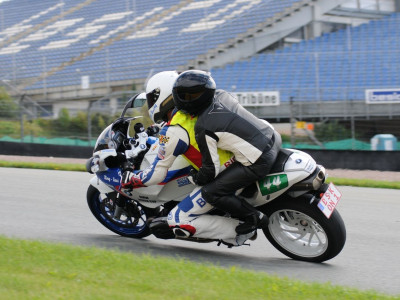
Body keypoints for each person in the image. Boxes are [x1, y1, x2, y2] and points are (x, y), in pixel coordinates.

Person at [122, 70, 254, 246]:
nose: (151, 104)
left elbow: (156, 175)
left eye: (152, 99)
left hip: (223, 176)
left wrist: (132, 179)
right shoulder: (205, 106)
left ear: (163, 97)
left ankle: (241, 229)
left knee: (176, 220)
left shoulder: (174, 130)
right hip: (244, 159)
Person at [172, 69, 282, 235]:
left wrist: (196, 178)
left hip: (259, 159)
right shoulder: (223, 94)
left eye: (186, 96)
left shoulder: (203, 126)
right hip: (273, 136)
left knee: (211, 192)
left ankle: (253, 217)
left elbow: (210, 169)